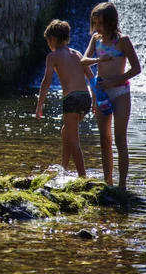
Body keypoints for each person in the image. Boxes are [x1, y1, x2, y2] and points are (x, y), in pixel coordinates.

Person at [81, 2, 141, 189]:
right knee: (104, 139)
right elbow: (83, 61)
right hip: (101, 92)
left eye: (101, 23)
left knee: (119, 138)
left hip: (120, 91)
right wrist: (98, 59)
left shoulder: (123, 40)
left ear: (111, 21)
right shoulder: (96, 39)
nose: (98, 27)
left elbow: (137, 68)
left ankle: (122, 185)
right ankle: (108, 182)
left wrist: (114, 82)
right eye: (95, 23)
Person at [36, 20, 95, 177]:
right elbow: (92, 78)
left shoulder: (52, 56)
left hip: (71, 98)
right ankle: (64, 168)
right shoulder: (77, 54)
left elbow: (46, 81)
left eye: (48, 41)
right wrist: (94, 101)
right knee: (66, 131)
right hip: (85, 98)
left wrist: (39, 105)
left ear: (53, 39)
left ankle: (83, 177)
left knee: (74, 140)